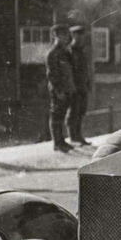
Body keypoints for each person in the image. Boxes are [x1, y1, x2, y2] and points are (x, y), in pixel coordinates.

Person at [45, 24, 76, 153]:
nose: (64, 37)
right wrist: (58, 90)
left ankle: (62, 141)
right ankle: (57, 143)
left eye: (66, 35)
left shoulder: (65, 52)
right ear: (55, 36)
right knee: (56, 116)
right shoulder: (53, 53)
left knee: (62, 115)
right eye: (61, 35)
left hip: (67, 88)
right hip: (58, 89)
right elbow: (51, 74)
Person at [66, 25, 91, 145]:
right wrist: (71, 86)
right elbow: (68, 71)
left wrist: (87, 83)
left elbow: (85, 69)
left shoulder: (81, 51)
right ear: (72, 36)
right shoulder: (69, 51)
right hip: (74, 87)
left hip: (82, 86)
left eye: (82, 35)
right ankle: (73, 137)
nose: (80, 38)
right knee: (73, 112)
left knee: (81, 111)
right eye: (77, 35)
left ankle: (79, 136)